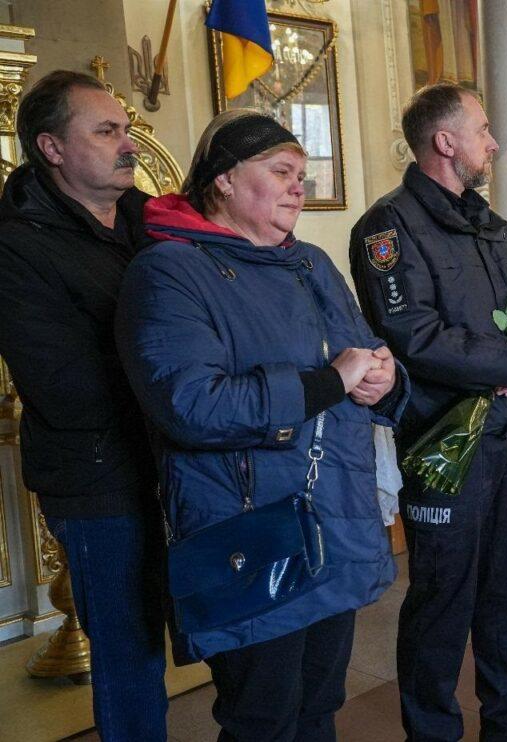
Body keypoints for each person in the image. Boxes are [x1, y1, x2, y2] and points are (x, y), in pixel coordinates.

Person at [116, 110, 409, 740]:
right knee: (262, 718)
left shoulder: (310, 263)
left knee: (320, 704)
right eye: (280, 172)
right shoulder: (169, 271)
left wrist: (387, 382)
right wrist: (329, 382)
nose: (298, 187)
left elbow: (363, 352)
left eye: (302, 175)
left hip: (334, 515)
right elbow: (191, 405)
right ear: (223, 179)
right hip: (250, 529)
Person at [348, 83, 507, 742]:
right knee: (442, 601)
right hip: (445, 441)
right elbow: (413, 335)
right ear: (445, 141)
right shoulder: (388, 228)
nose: (495, 142)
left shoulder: (489, 223)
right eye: (483, 129)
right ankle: (432, 733)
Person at [0, 70, 167, 741]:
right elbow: (64, 385)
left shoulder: (146, 220)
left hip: (176, 462)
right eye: (106, 131)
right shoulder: (16, 246)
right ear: (53, 148)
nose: (128, 144)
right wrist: (187, 388)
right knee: (129, 656)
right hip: (99, 481)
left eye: (126, 128)